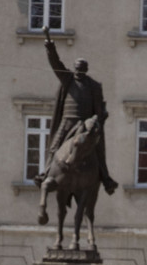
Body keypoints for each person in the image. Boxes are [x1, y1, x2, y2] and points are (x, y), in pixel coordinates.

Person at [35, 27, 118, 196]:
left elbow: (98, 109)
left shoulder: (94, 86)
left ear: (86, 69)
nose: (79, 71)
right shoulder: (68, 79)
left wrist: (97, 120)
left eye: (82, 68)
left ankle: (105, 177)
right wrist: (50, 47)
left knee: (98, 149)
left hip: (85, 124)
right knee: (54, 147)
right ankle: (45, 172)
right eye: (77, 68)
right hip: (68, 121)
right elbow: (56, 64)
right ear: (74, 68)